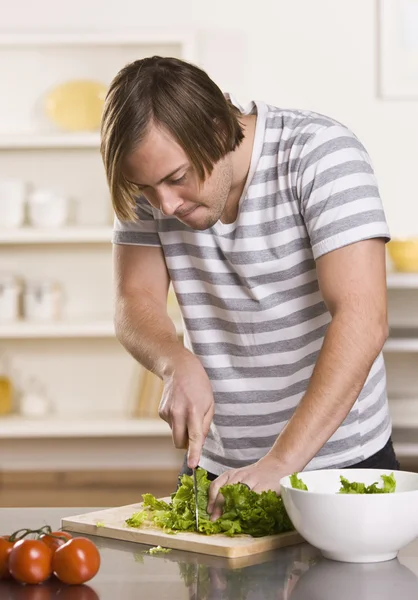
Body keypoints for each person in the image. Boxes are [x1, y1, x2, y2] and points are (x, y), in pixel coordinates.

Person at [100, 55, 399, 521]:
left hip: (339, 466)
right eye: (146, 189)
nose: (167, 204)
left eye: (177, 179)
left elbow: (363, 318)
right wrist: (174, 363)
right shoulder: (151, 187)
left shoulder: (321, 153)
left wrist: (280, 464)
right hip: (220, 471)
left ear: (220, 129)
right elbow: (133, 301)